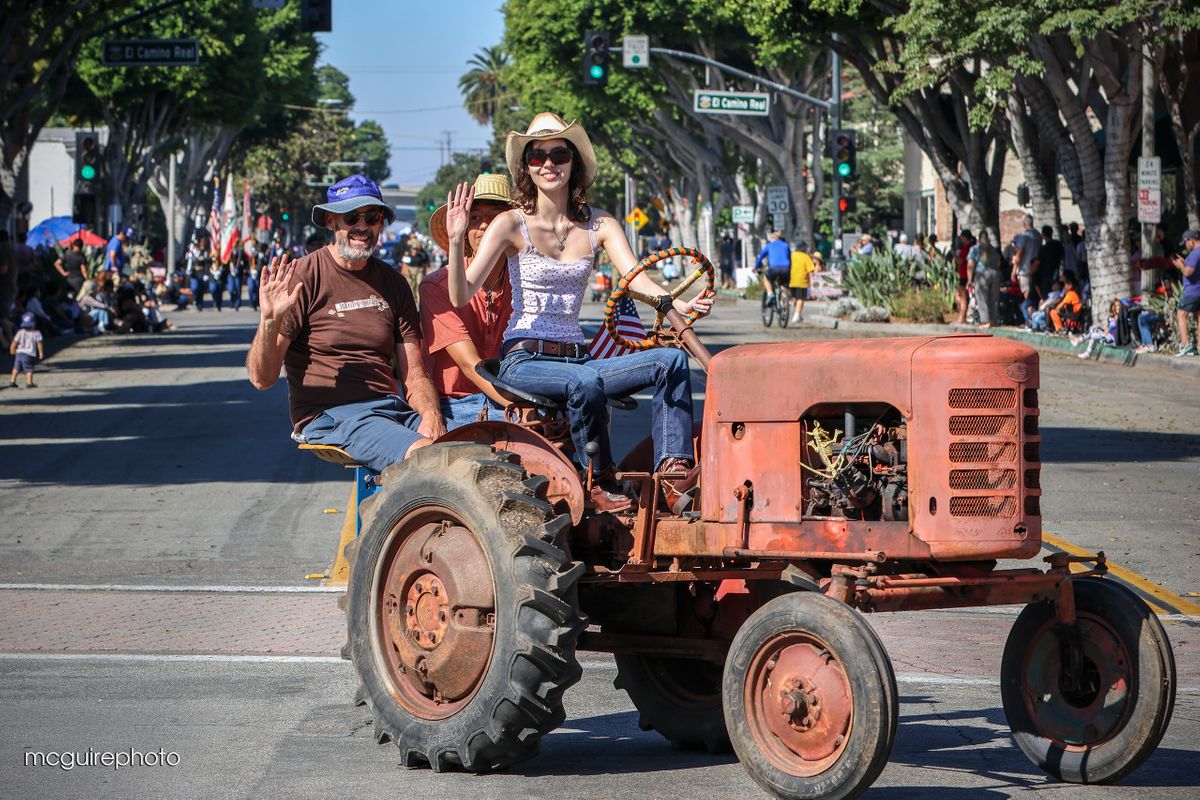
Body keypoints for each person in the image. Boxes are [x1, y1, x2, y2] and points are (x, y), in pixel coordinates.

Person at [441, 112, 713, 513]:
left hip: (578, 357)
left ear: (574, 163)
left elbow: (636, 278)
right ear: (526, 168)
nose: (549, 164)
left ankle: (673, 475)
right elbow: (461, 294)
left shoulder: (599, 224)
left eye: (559, 154)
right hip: (525, 358)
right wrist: (453, 239)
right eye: (537, 156)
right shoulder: (509, 224)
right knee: (583, 382)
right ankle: (598, 479)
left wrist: (677, 303)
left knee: (671, 362)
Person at [246, 174, 447, 472]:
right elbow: (261, 379)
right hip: (332, 417)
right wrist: (269, 321)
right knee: (428, 458)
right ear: (331, 222)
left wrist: (431, 416)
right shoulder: (303, 276)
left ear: (381, 223)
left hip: (390, 410)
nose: (362, 227)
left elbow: (414, 373)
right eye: (352, 217)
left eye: (372, 217)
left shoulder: (393, 283)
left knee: (470, 449)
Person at [421, 173, 516, 423]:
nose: (484, 226)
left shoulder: (527, 279)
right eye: (475, 218)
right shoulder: (436, 286)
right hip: (459, 404)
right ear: (464, 231)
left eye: (495, 218)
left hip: (516, 395)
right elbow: (470, 365)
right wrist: (523, 406)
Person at [1172, 229, 1200, 356]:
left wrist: (1180, 266)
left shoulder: (1195, 254)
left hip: (1192, 291)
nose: (1185, 246)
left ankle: (1185, 344)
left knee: (1181, 315)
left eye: (1185, 243)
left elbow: (1188, 272)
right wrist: (1184, 262)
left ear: (1191, 241)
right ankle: (1199, 347)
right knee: (1199, 317)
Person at [967, 231, 1003, 328]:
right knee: (994, 298)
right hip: (995, 273)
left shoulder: (974, 249)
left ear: (978, 238)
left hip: (982, 275)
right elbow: (999, 263)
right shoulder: (993, 249)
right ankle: (994, 320)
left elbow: (970, 265)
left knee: (982, 298)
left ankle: (986, 321)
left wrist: (969, 279)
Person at [1011, 214, 1041, 325]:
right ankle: (1035, 318)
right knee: (1033, 294)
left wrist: (1013, 271)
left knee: (1027, 294)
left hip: (1025, 268)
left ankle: (1030, 320)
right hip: (1036, 267)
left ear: (1024, 223)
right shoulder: (1038, 235)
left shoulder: (1024, 236)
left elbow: (1019, 254)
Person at [754, 230, 791, 300]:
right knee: (784, 282)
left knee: (766, 277)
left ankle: (770, 293)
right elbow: (790, 258)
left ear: (773, 238)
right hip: (786, 268)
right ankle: (784, 294)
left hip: (774, 268)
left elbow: (760, 257)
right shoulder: (786, 245)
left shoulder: (769, 245)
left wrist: (755, 267)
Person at [9, 312, 43, 388]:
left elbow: (14, 342)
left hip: (19, 353)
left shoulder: (20, 332)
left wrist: (12, 349)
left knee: (16, 367)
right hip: (28, 353)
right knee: (29, 369)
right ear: (34, 323)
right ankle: (29, 382)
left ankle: (12, 381)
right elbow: (39, 343)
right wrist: (40, 352)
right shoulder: (37, 333)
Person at [787, 245, 818, 324]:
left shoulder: (792, 255)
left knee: (796, 299)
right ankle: (796, 315)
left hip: (791, 280)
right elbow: (811, 270)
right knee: (800, 299)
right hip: (802, 281)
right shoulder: (805, 257)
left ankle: (798, 314)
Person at [954, 229, 975, 325]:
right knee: (959, 294)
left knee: (963, 297)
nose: (961, 240)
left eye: (962, 238)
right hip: (963, 275)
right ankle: (961, 316)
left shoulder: (967, 248)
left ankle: (962, 317)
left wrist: (954, 255)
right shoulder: (969, 247)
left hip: (965, 276)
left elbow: (961, 261)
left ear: (965, 238)